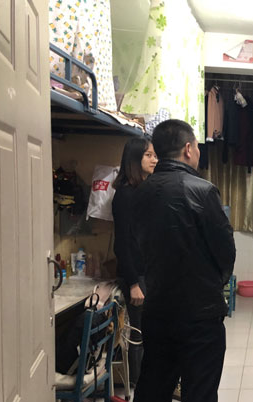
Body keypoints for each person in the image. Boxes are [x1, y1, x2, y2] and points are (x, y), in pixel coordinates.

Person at [132, 119, 236, 402]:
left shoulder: (139, 193)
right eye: (198, 147)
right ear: (188, 149)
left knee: (153, 388)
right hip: (200, 314)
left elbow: (136, 247)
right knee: (199, 391)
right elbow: (226, 251)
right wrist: (213, 284)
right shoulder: (202, 190)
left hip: (157, 308)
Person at [112, 136, 158, 387]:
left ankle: (151, 383)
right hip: (136, 275)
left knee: (150, 331)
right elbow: (122, 244)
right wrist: (133, 283)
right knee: (139, 334)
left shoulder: (142, 191)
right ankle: (141, 386)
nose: (154, 160)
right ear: (134, 159)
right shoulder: (125, 195)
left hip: (147, 273)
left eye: (154, 155)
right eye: (148, 155)